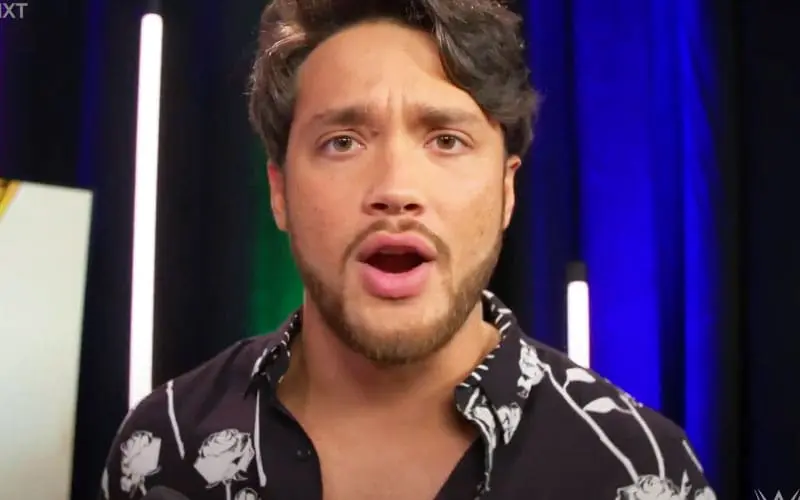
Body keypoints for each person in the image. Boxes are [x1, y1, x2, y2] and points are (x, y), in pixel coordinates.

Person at [99, 0, 717, 498]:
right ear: (279, 192)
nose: (395, 190)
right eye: (343, 142)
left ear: (506, 191)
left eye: (446, 140)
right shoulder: (164, 449)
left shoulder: (636, 471)